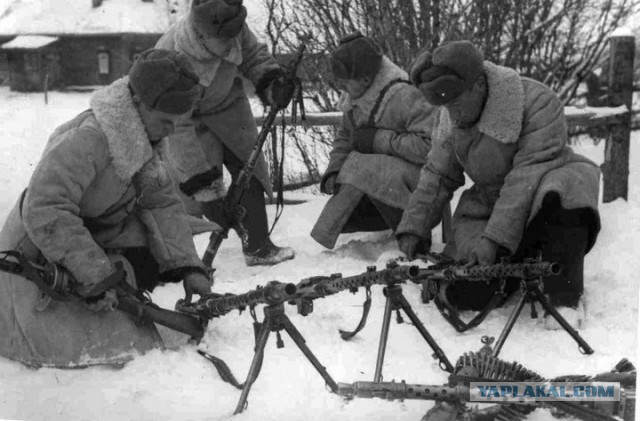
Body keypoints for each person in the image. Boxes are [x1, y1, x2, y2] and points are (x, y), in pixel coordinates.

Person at [0, 49, 217, 368]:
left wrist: (190, 268)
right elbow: (46, 208)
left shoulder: (143, 136)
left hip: (83, 242)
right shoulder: (89, 138)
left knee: (133, 297)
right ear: (141, 104)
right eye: (166, 121)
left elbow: (161, 202)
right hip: (36, 256)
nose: (172, 131)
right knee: (121, 347)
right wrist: (97, 277)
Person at [397, 41, 600, 329]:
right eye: (444, 104)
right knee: (465, 294)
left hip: (546, 195)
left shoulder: (537, 101)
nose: (450, 112)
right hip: (492, 207)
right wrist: (413, 227)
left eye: (455, 101)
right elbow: (438, 173)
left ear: (478, 83)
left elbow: (526, 178)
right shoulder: (449, 113)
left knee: (564, 193)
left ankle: (564, 297)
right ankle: (516, 271)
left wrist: (493, 240)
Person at [155, 0, 296, 266]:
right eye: (224, 40)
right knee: (207, 190)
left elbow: (253, 55)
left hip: (229, 105)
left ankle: (258, 246)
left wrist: (271, 84)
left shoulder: (234, 25)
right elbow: (176, 125)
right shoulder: (172, 54)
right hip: (187, 121)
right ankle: (215, 238)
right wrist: (198, 179)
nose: (233, 44)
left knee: (249, 169)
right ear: (204, 34)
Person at [310, 32, 436, 249]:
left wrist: (379, 140)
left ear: (366, 79)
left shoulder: (405, 96)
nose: (341, 88)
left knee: (364, 165)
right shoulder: (356, 98)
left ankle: (414, 238)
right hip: (387, 184)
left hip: (423, 190)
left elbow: (430, 148)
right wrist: (335, 169)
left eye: (345, 82)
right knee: (359, 170)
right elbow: (345, 137)